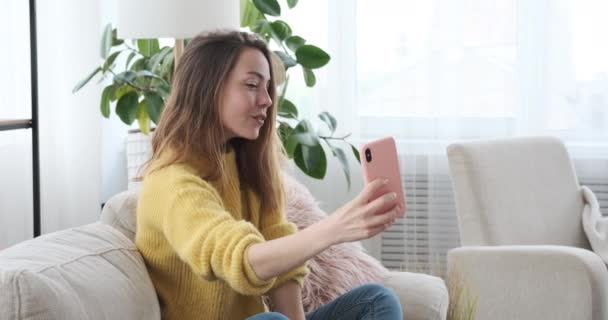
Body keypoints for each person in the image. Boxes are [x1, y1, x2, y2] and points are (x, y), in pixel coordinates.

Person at [136, 30, 404, 320]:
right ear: (207, 89)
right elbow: (239, 260)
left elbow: (282, 269)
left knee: (376, 301)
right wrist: (336, 228)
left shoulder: (246, 165)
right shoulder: (171, 183)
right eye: (252, 85)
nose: (266, 100)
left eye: (268, 88)